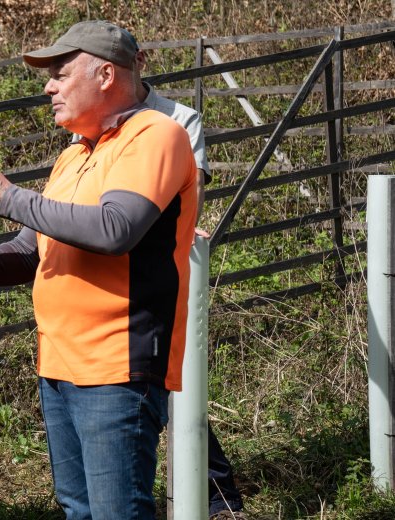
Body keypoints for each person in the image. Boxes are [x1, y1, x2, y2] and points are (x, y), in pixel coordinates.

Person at [0, 20, 197, 518]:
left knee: (118, 513)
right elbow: (33, 251)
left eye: (61, 73)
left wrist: (6, 195)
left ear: (107, 75)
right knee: (79, 511)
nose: (48, 86)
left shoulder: (156, 135)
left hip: (117, 369)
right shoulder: (73, 155)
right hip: (59, 367)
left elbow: (115, 229)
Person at [134, 56, 247, 519]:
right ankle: (213, 497)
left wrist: (181, 226)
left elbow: (192, 189)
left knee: (169, 380)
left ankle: (217, 498)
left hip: (163, 265)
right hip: (112, 269)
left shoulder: (179, 119)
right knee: (155, 386)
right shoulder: (93, 122)